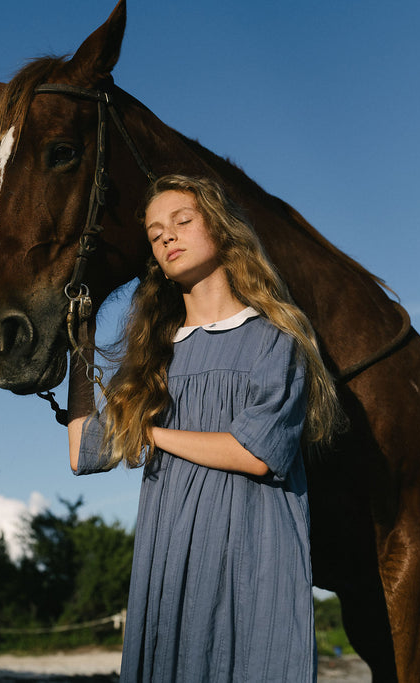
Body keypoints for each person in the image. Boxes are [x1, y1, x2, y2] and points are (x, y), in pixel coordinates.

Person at [67, 174, 340, 682]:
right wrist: (78, 345)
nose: (166, 236)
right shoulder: (155, 357)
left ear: (221, 229)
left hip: (253, 556)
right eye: (154, 233)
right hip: (171, 562)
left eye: (182, 221)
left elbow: (256, 452)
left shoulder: (275, 340)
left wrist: (149, 434)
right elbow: (85, 450)